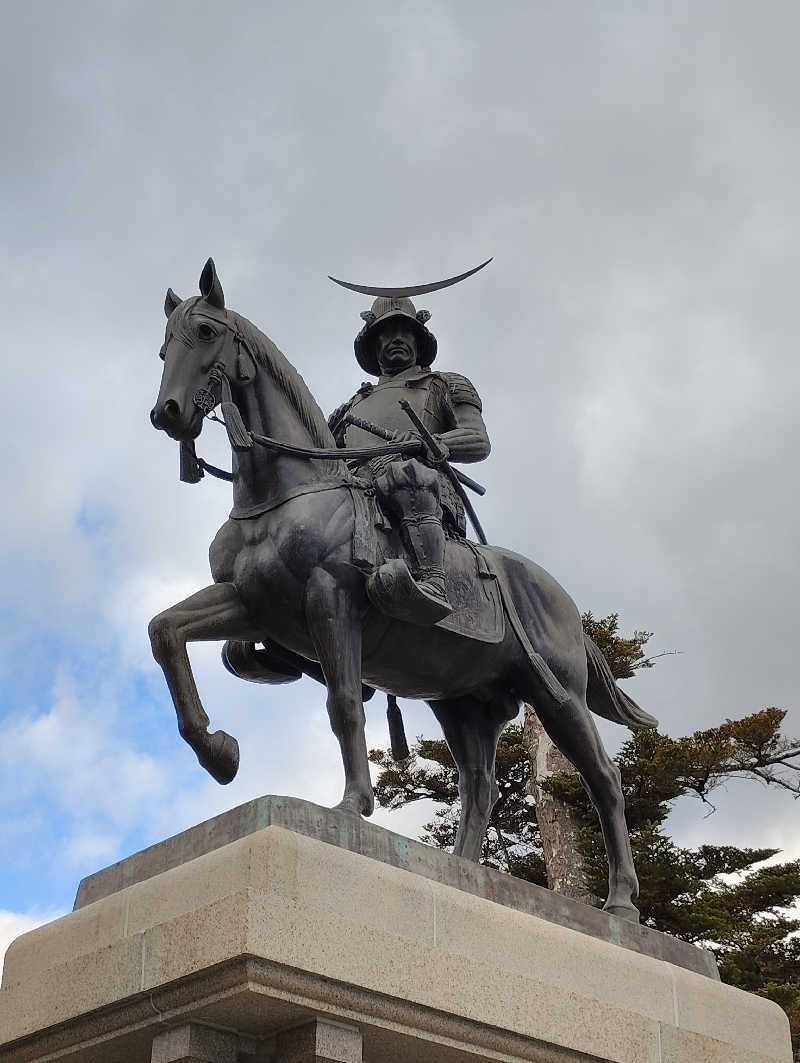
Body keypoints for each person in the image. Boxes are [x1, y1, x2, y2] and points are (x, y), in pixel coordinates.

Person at [329, 294, 490, 625]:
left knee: (407, 474)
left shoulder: (444, 384)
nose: (397, 339)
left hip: (420, 488)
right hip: (357, 493)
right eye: (387, 333)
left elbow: (477, 440)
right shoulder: (351, 406)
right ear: (374, 346)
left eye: (406, 331)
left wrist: (428, 442)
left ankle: (432, 580)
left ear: (419, 340)